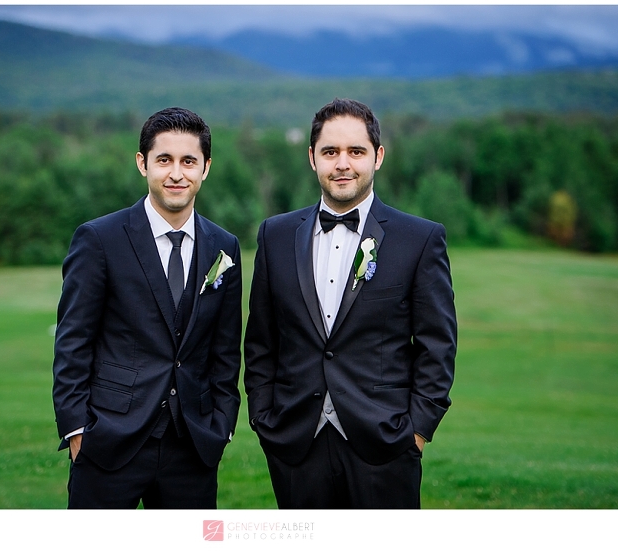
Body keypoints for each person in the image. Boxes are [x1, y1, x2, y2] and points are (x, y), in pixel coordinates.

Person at [244, 98, 456, 509]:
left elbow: (438, 345)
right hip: (295, 444)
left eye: (355, 151)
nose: (343, 163)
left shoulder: (420, 239)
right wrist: (264, 419)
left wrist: (416, 431)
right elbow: (261, 342)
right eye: (330, 152)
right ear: (312, 158)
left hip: (385, 445)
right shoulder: (275, 235)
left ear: (377, 156)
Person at [52, 107, 242, 509]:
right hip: (108, 440)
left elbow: (225, 349)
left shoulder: (224, 247)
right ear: (143, 164)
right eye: (164, 160)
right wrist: (76, 430)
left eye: (189, 161)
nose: (177, 173)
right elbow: (73, 340)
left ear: (206, 168)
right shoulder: (99, 239)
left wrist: (221, 424)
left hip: (192, 444)